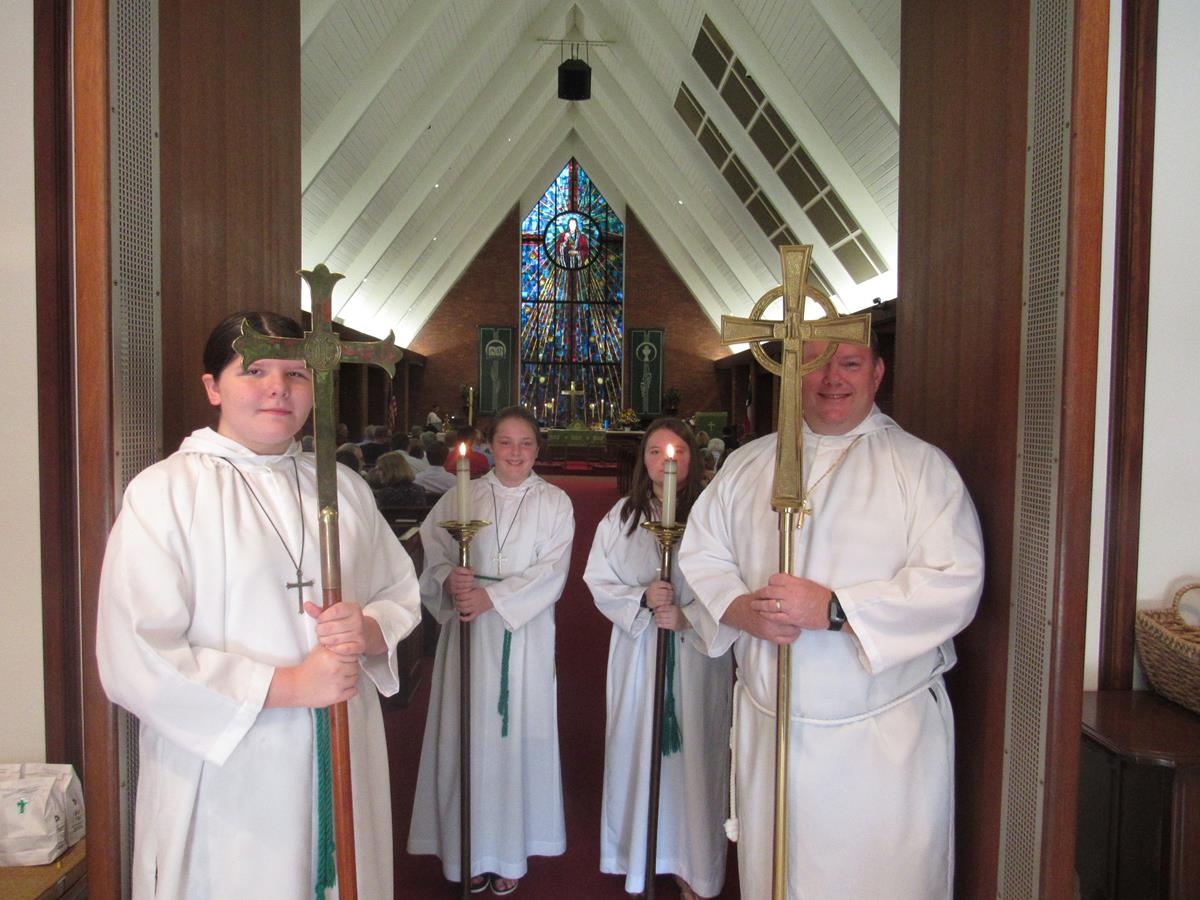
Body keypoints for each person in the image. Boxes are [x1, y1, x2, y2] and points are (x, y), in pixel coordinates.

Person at [96, 310, 421, 899]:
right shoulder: (166, 493)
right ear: (212, 386)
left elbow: (397, 591)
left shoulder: (343, 487)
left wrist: (370, 629)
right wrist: (295, 686)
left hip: (341, 743)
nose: (279, 388)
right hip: (231, 775)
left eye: (296, 374)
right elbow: (135, 654)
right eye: (256, 370)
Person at [678, 338, 984, 900]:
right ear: (792, 373)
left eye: (849, 363)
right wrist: (739, 609)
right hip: (773, 733)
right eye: (815, 363)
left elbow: (954, 581)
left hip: (879, 746)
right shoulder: (750, 463)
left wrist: (836, 610)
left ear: (877, 372)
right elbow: (702, 552)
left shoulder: (920, 468)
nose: (831, 379)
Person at [408, 406, 575, 896]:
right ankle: (466, 851)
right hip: (468, 632)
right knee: (468, 734)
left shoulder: (556, 502)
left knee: (515, 739)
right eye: (506, 442)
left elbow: (552, 572)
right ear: (490, 446)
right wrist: (448, 578)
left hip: (522, 636)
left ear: (538, 448)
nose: (516, 453)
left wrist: (493, 597)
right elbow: (433, 549)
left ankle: (509, 852)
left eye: (526, 443)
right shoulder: (466, 496)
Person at [584, 418, 732, 899]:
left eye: (677, 452)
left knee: (696, 760)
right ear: (642, 460)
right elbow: (598, 580)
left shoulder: (716, 517)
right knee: (637, 750)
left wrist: (690, 617)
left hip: (695, 661)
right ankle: (640, 856)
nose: (666, 462)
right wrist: (641, 598)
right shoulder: (622, 517)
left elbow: (737, 585)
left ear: (694, 456)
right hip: (639, 655)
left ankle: (693, 866)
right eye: (654, 452)